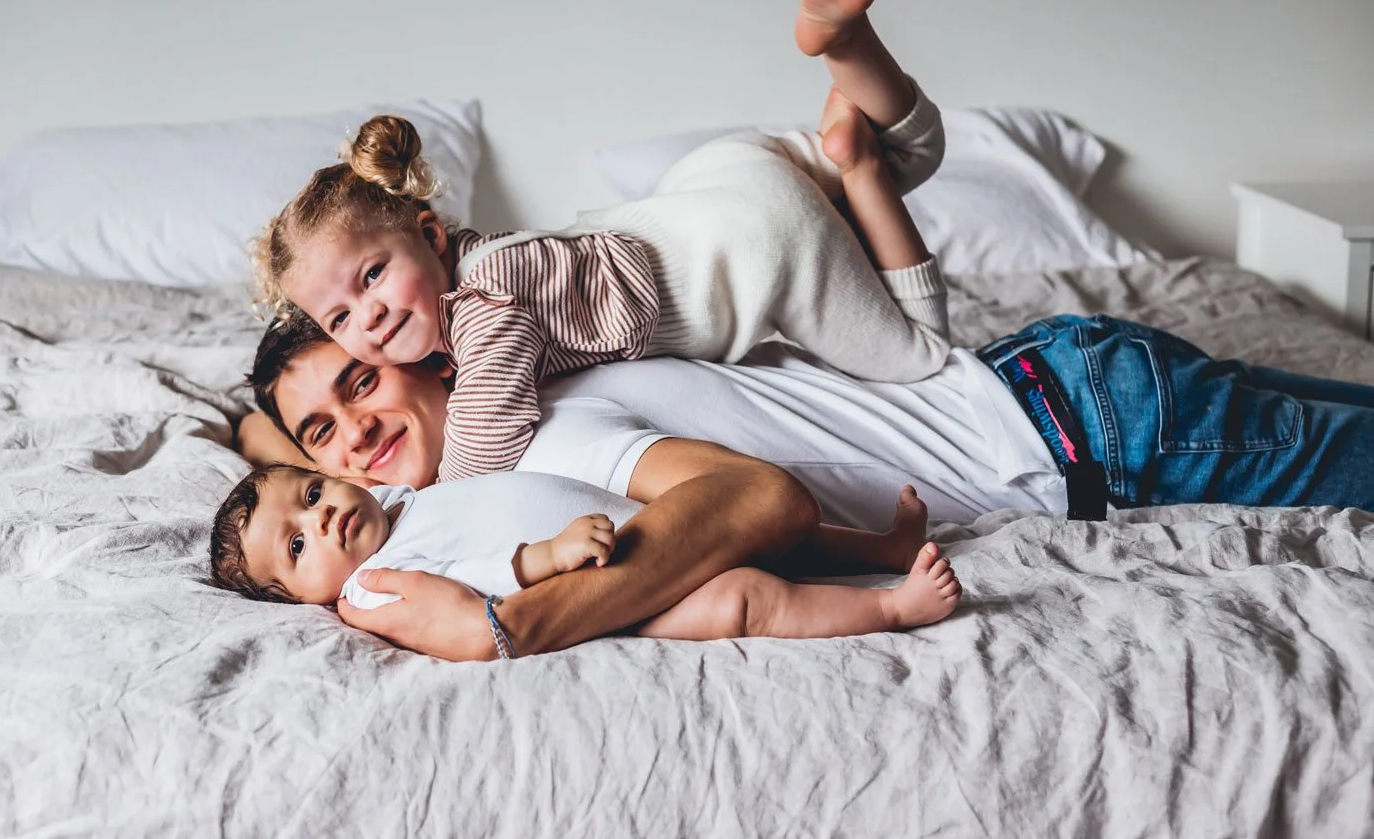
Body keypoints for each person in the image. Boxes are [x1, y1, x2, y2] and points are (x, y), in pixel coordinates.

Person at [238, 299, 1374, 661]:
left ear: (421, 351)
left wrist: (518, 621)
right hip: (1071, 386)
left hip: (1092, 427)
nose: (355, 433)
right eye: (321, 435)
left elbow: (760, 501)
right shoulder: (488, 457)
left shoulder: (549, 436)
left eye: (359, 383)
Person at [250, 0, 952, 481]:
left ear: (431, 234)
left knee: (920, 356)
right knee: (911, 156)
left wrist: (437, 498)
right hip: (716, 180)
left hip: (763, 249)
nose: (367, 319)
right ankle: (849, 51)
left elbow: (486, 439)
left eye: (372, 277)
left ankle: (856, 158)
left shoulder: (485, 310)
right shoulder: (482, 257)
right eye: (340, 320)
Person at [208, 466, 962, 645]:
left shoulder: (401, 499)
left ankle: (882, 548)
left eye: (310, 493)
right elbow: (474, 593)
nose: (324, 516)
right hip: (614, 593)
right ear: (300, 598)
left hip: (630, 534)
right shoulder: (368, 589)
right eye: (299, 546)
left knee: (765, 529)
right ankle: (891, 606)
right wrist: (549, 555)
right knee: (750, 594)